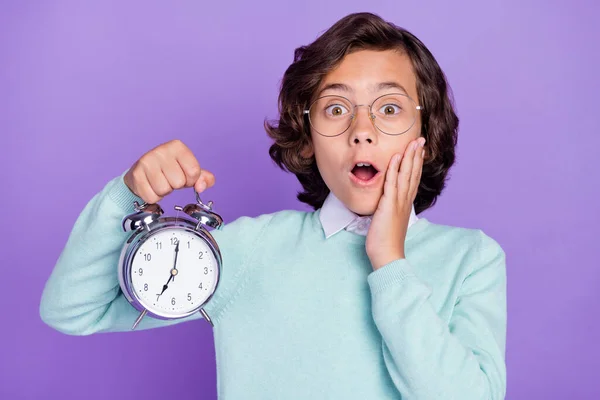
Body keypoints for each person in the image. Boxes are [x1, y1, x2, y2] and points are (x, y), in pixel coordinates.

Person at [40, 12, 507, 399]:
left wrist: (389, 262)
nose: (361, 130)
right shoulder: (249, 250)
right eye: (336, 109)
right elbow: (73, 310)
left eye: (389, 109)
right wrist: (128, 194)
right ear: (306, 142)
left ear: (427, 136)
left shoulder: (471, 259)